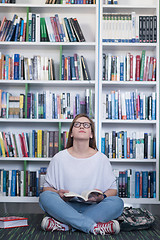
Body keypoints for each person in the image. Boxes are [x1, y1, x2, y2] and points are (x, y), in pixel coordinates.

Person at [39, 114, 124, 235]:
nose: (81, 127)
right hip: (65, 207)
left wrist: (102, 197)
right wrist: (58, 193)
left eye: (86, 125)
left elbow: (113, 190)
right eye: (77, 124)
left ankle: (65, 225)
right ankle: (93, 227)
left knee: (117, 203)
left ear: (91, 134)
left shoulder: (101, 159)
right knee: (45, 197)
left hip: (94, 207)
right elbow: (47, 188)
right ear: (71, 133)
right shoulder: (59, 158)